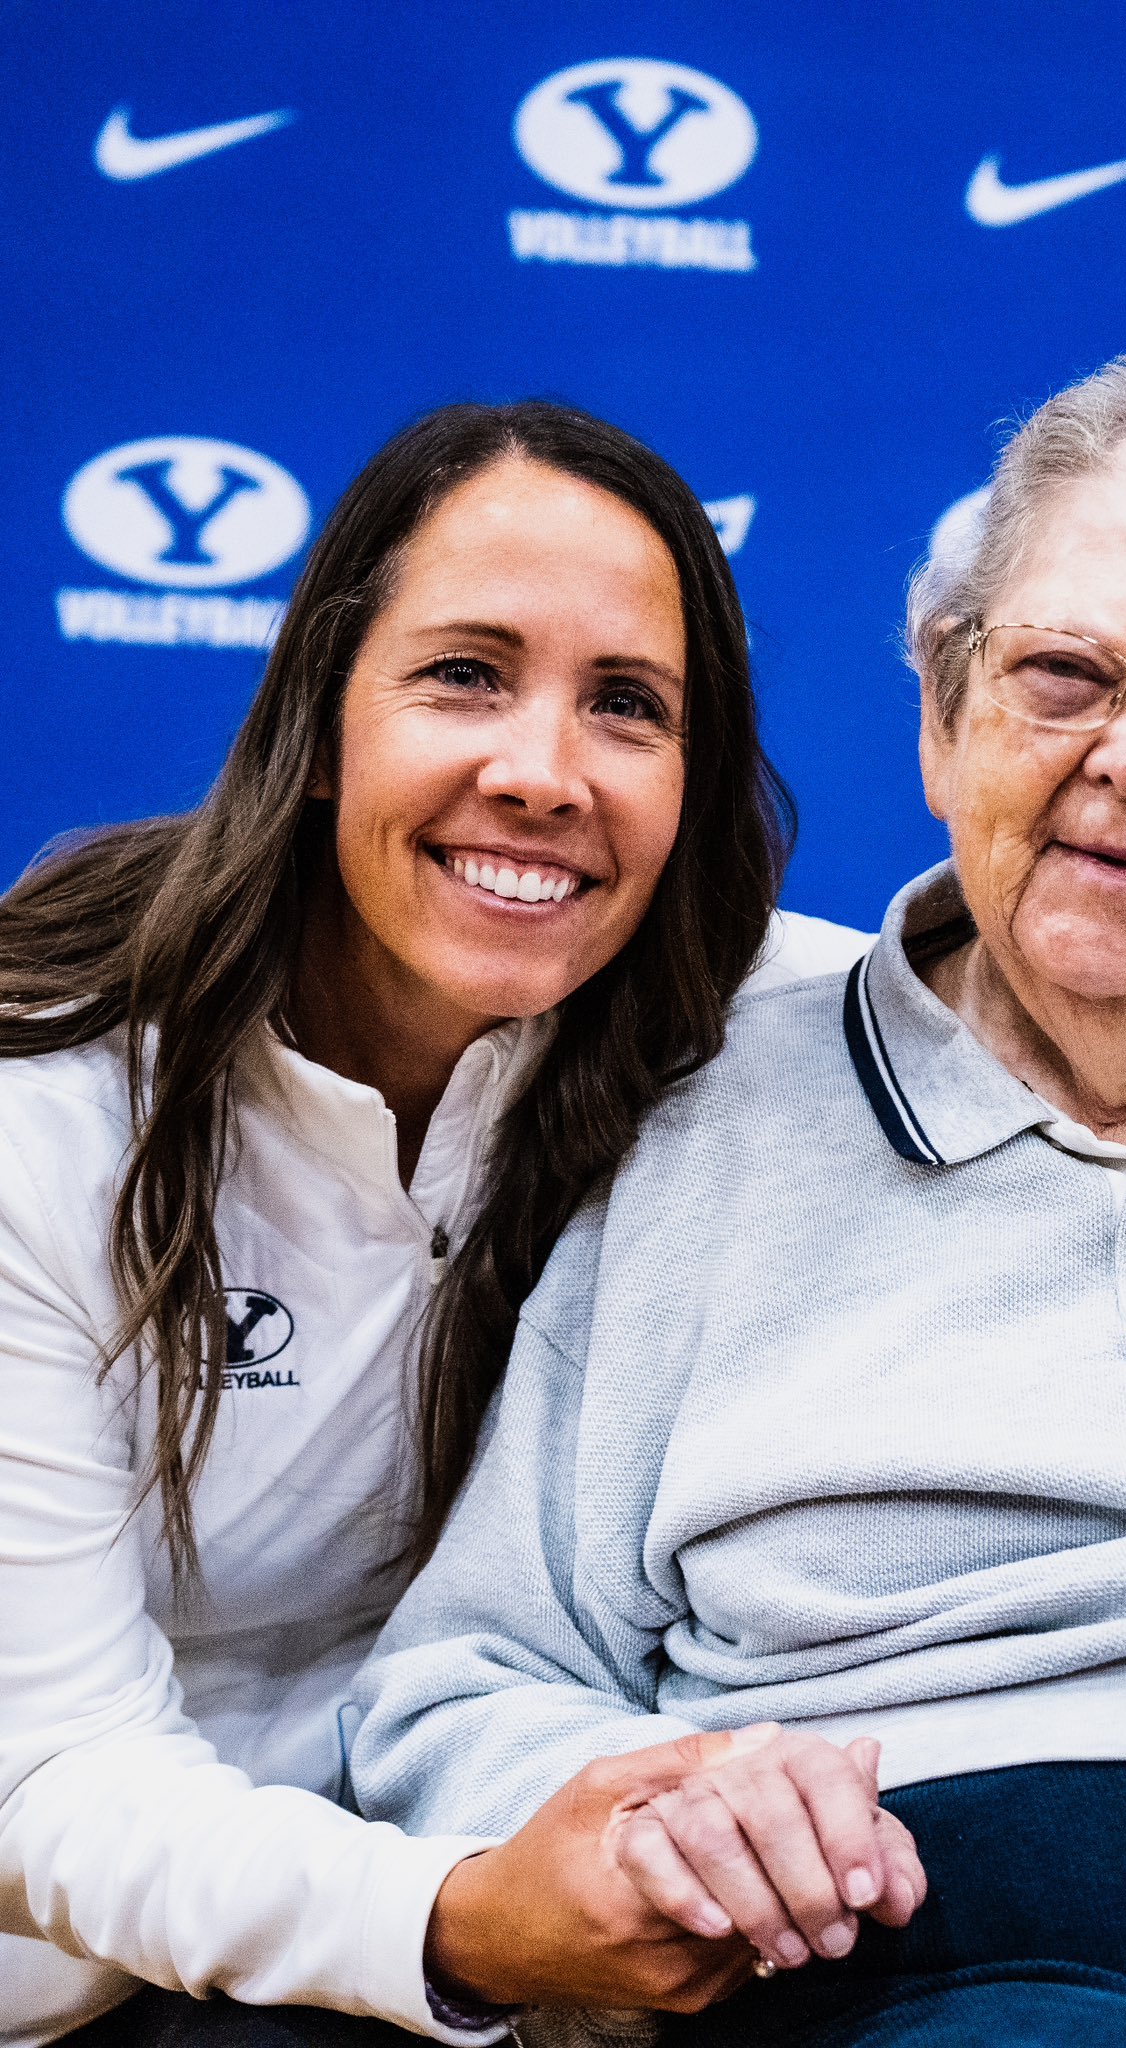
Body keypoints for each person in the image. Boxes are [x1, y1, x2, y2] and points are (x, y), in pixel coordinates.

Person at [350, 334, 1126, 2048]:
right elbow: (462, 1682)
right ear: (944, 711)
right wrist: (655, 1801)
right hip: (983, 1939)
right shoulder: (691, 1110)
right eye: (1062, 678)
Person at [0, 399, 883, 2047]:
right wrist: (468, 1922)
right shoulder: (39, 1118)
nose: (542, 775)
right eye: (465, 674)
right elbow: (47, 1779)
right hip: (104, 1984)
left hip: (514, 1918)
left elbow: (1043, 1010)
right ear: (323, 717)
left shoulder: (751, 1027)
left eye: (628, 708)